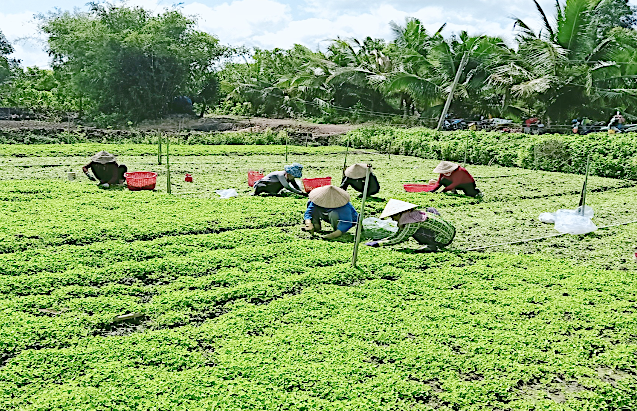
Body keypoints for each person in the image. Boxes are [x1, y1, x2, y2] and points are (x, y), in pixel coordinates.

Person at [365, 199, 455, 253]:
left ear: (399, 213)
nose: (392, 219)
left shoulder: (412, 221)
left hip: (443, 239)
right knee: (430, 211)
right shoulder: (411, 214)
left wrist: (380, 244)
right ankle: (433, 243)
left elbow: (401, 238)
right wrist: (382, 240)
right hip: (450, 231)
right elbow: (399, 233)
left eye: (393, 216)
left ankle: (433, 245)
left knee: (415, 232)